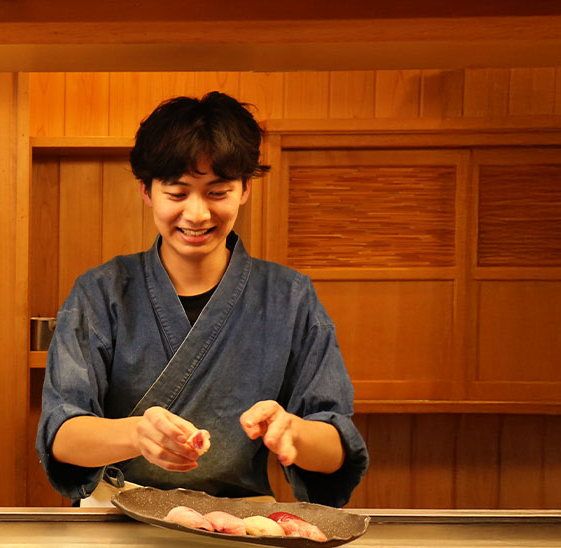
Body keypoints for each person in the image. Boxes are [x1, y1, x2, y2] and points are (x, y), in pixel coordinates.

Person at [37, 92, 368, 507]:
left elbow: (336, 447)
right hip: (118, 518)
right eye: (177, 194)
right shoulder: (101, 291)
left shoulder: (290, 297)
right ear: (147, 191)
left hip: (239, 525)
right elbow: (62, 434)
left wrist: (295, 433)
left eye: (217, 192)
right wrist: (137, 434)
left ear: (244, 189)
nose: (197, 214)